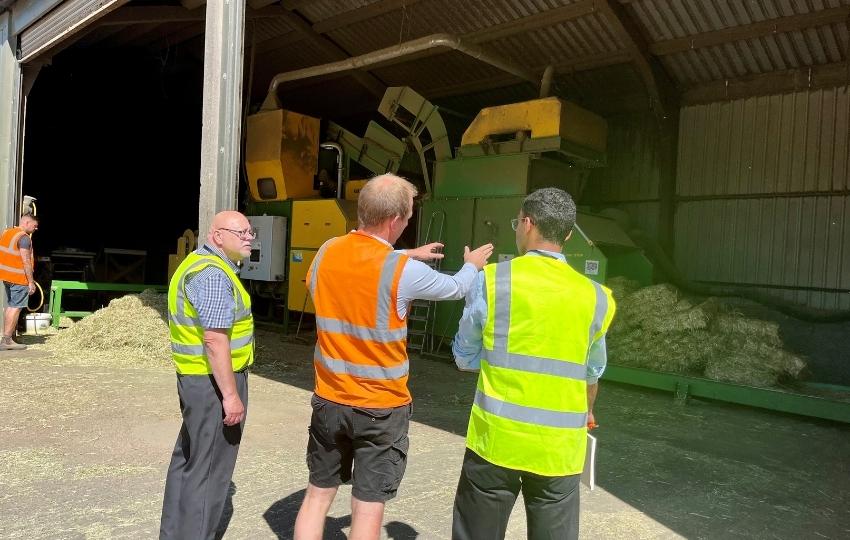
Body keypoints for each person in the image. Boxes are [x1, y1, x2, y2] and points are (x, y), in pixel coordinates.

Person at [293, 173, 494, 540]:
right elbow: (455, 287)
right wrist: (473, 264)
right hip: (380, 409)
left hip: (329, 401)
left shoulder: (326, 252)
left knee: (317, 496)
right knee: (367, 508)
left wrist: (402, 253)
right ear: (395, 221)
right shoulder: (403, 272)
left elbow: (357, 266)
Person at [451, 188, 616, 540]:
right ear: (569, 234)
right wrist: (587, 410)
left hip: (496, 443)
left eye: (517, 222)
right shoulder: (597, 297)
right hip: (560, 450)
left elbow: (464, 357)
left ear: (527, 224)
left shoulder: (492, 281)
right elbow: (592, 372)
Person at [160, 210, 255, 540]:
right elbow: (215, 339)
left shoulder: (196, 264)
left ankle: (174, 533)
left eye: (250, 232)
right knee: (211, 471)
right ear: (217, 236)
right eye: (240, 232)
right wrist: (231, 395)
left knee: (188, 461)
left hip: (196, 381)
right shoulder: (213, 274)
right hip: (215, 384)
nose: (249, 238)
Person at [0, 214, 39, 350]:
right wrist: (31, 282)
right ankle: (7, 340)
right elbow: (26, 261)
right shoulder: (24, 238)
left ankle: (7, 337)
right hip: (18, 278)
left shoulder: (8, 233)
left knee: (11, 306)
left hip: (6, 276)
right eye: (34, 226)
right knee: (15, 307)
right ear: (27, 222)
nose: (36, 228)